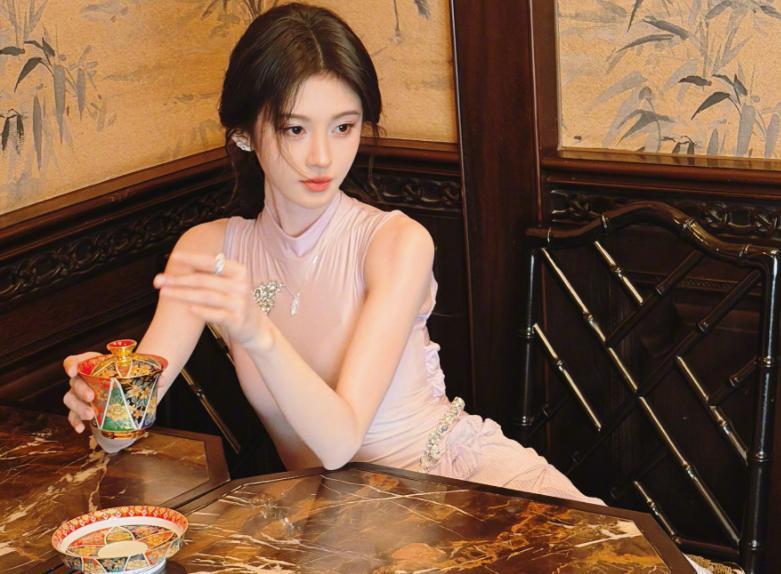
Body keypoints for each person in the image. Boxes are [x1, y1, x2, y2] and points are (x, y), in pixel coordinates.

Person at [62, 2, 601, 505]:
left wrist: (255, 330)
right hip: (339, 520)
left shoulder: (396, 242)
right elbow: (124, 426)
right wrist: (99, 400)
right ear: (245, 133)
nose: (322, 157)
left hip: (457, 488)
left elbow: (340, 442)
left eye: (343, 127)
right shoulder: (206, 252)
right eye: (295, 129)